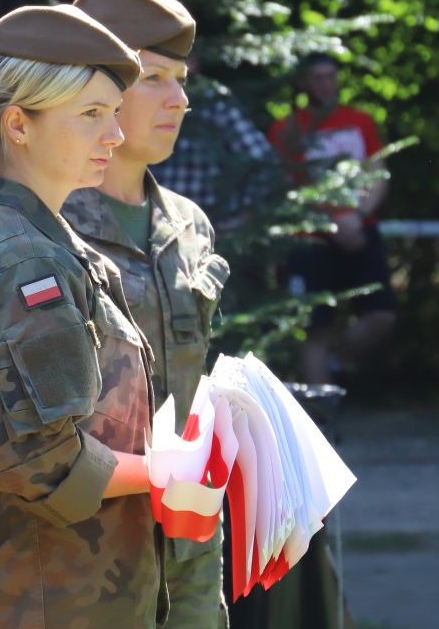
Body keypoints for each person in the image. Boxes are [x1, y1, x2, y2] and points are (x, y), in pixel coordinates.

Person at [0, 4, 163, 629]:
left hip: (63, 607)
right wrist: (168, 470)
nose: (116, 135)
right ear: (19, 124)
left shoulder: (38, 242)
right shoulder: (28, 261)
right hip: (55, 612)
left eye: (115, 112)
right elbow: (41, 461)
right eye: (91, 114)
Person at [61, 0, 229, 629]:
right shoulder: (44, 225)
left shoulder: (187, 224)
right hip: (84, 560)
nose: (178, 100)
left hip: (188, 551)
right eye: (153, 78)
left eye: (181, 81)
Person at [267, 52, 396, 386]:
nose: (326, 84)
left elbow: (378, 172)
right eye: (318, 77)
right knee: (315, 328)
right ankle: (320, 420)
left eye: (331, 76)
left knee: (382, 315)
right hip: (310, 240)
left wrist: (359, 214)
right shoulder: (286, 130)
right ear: (303, 83)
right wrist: (331, 222)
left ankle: (337, 361)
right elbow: (283, 190)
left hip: (361, 231)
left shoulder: (360, 121)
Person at [150, 68, 279, 232]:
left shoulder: (216, 104)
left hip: (210, 225)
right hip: (158, 225)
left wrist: (243, 215)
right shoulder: (148, 102)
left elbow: (263, 160)